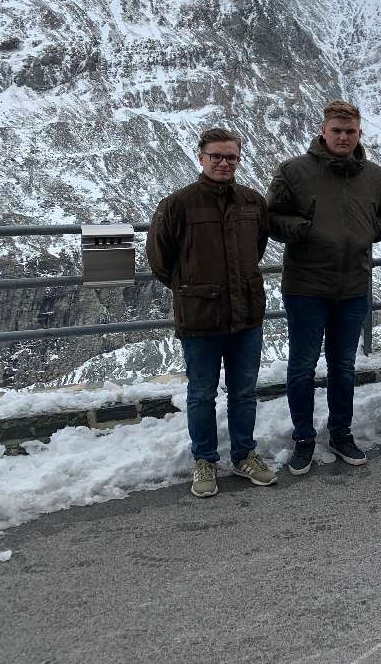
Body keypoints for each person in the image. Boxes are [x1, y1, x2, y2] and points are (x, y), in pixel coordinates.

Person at [146, 127, 277, 497]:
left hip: (246, 313)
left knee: (244, 391)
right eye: (216, 156)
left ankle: (244, 454)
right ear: (201, 158)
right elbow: (160, 260)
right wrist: (192, 290)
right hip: (201, 316)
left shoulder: (252, 203)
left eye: (231, 157)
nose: (224, 162)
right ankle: (204, 458)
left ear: (238, 159)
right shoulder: (178, 204)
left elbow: (258, 247)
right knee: (202, 394)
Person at [267, 100, 381, 475]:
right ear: (323, 130)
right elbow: (270, 218)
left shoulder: (374, 175)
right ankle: (304, 438)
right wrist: (302, 229)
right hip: (307, 286)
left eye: (350, 131)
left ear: (359, 133)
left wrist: (372, 230)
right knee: (302, 367)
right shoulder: (294, 171)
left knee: (344, 366)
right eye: (336, 130)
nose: (343, 137)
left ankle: (341, 432)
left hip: (353, 286)